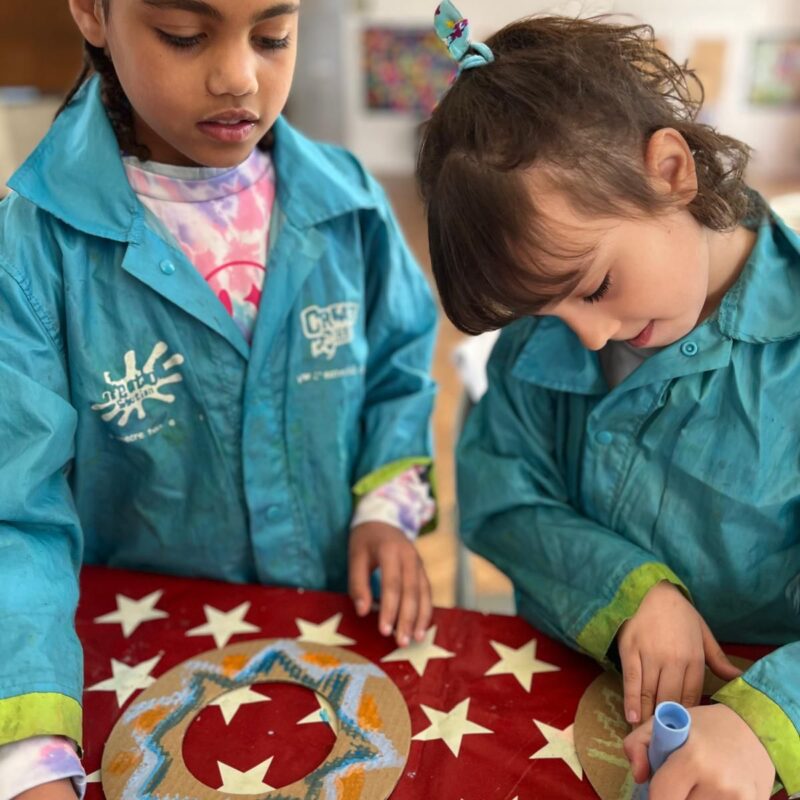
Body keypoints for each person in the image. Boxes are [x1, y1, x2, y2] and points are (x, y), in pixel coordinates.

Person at [0, 1, 439, 796]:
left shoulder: (351, 206)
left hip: (334, 632)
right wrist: (28, 756)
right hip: (144, 667)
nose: (239, 76)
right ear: (93, 13)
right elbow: (13, 513)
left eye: (273, 37)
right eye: (183, 35)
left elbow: (400, 370)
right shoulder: (32, 252)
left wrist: (386, 504)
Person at [418, 3, 799, 798]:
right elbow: (499, 494)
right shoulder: (551, 337)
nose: (587, 338)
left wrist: (770, 716)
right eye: (546, 312)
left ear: (670, 170)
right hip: (584, 672)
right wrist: (631, 592)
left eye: (594, 287)